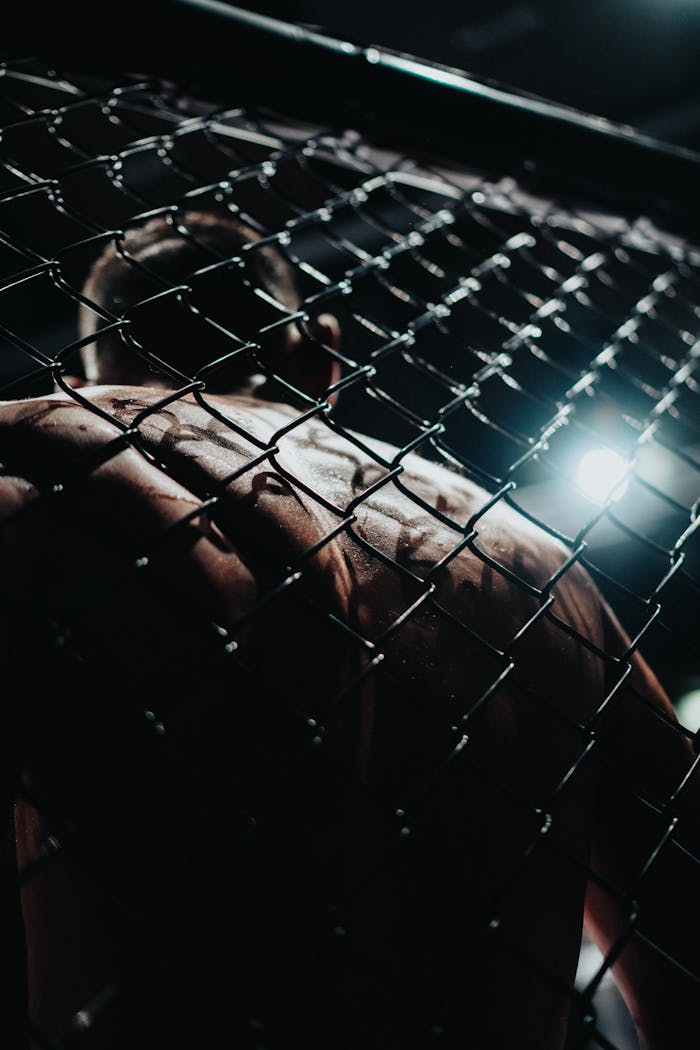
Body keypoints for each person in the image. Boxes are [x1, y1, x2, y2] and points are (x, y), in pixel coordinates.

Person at [0, 211, 697, 1050]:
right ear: (323, 353)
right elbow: (682, 953)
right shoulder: (538, 565)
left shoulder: (45, 463)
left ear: (84, 377)